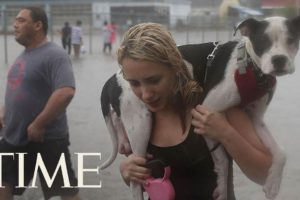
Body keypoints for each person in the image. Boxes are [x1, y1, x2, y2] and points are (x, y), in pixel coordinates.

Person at [117, 23, 272, 199]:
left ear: (175, 68)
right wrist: (127, 171)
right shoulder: (137, 116)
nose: (145, 94)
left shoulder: (217, 103)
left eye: (154, 80)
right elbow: (150, 184)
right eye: (134, 83)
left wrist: (224, 132)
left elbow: (266, 174)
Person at [0, 6, 80, 200]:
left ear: (38, 25)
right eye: (15, 20)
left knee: (66, 192)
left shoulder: (54, 54)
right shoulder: (23, 56)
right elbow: (19, 91)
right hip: (14, 135)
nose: (14, 24)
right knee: (3, 182)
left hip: (46, 138)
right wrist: (4, 112)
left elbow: (66, 91)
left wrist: (39, 123)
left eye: (21, 20)